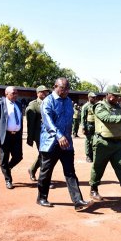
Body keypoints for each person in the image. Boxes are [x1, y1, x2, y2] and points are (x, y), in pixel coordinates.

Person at [36, 78, 93, 211]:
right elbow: (48, 121)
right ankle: (42, 197)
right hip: (50, 143)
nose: (66, 91)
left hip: (66, 143)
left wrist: (66, 137)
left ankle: (78, 201)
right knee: (46, 172)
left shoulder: (68, 101)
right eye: (63, 88)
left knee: (70, 172)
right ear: (55, 86)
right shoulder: (48, 101)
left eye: (68, 88)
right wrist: (59, 135)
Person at [0, 86, 23, 190]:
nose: (15, 95)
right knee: (4, 159)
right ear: (6, 94)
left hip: (16, 136)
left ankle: (7, 168)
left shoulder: (18, 104)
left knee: (18, 157)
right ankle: (8, 180)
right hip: (4, 136)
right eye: (13, 93)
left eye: (17, 93)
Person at [25, 85, 49, 182]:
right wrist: (31, 137)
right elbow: (30, 123)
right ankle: (44, 179)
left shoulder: (49, 102)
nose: (45, 93)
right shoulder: (33, 105)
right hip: (39, 134)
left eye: (46, 92)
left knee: (44, 155)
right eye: (42, 92)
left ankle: (32, 169)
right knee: (44, 155)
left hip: (49, 134)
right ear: (38, 93)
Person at [81, 92, 97, 163]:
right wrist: (83, 127)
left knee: (94, 140)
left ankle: (93, 155)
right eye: (92, 97)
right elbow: (83, 117)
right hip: (89, 125)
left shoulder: (96, 106)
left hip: (95, 125)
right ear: (89, 97)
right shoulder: (85, 106)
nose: (94, 98)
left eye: (94, 97)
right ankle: (88, 156)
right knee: (88, 141)